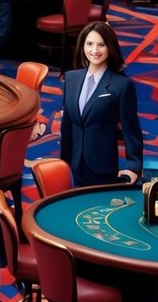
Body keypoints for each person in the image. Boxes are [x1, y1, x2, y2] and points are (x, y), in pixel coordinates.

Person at [60, 21, 144, 186]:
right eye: (89, 44)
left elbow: (131, 130)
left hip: (103, 167)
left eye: (101, 45)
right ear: (82, 46)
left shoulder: (122, 85)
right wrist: (64, 162)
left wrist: (134, 166)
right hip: (74, 165)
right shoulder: (71, 78)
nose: (94, 50)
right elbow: (67, 124)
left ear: (110, 47)